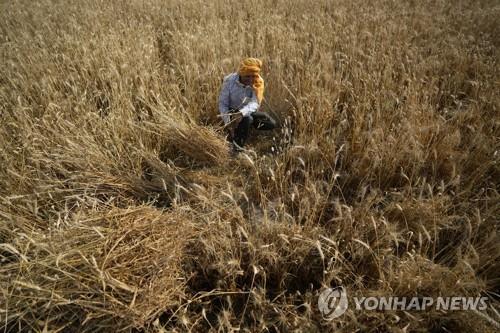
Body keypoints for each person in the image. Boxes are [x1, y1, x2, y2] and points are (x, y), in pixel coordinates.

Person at [218, 57, 276, 152]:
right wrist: (228, 121)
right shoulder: (229, 81)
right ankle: (237, 148)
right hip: (231, 111)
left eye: (253, 76)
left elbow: (255, 102)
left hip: (247, 111)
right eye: (247, 76)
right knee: (248, 119)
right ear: (241, 74)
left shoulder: (258, 82)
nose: (251, 79)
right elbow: (223, 103)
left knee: (271, 123)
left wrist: (241, 113)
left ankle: (244, 128)